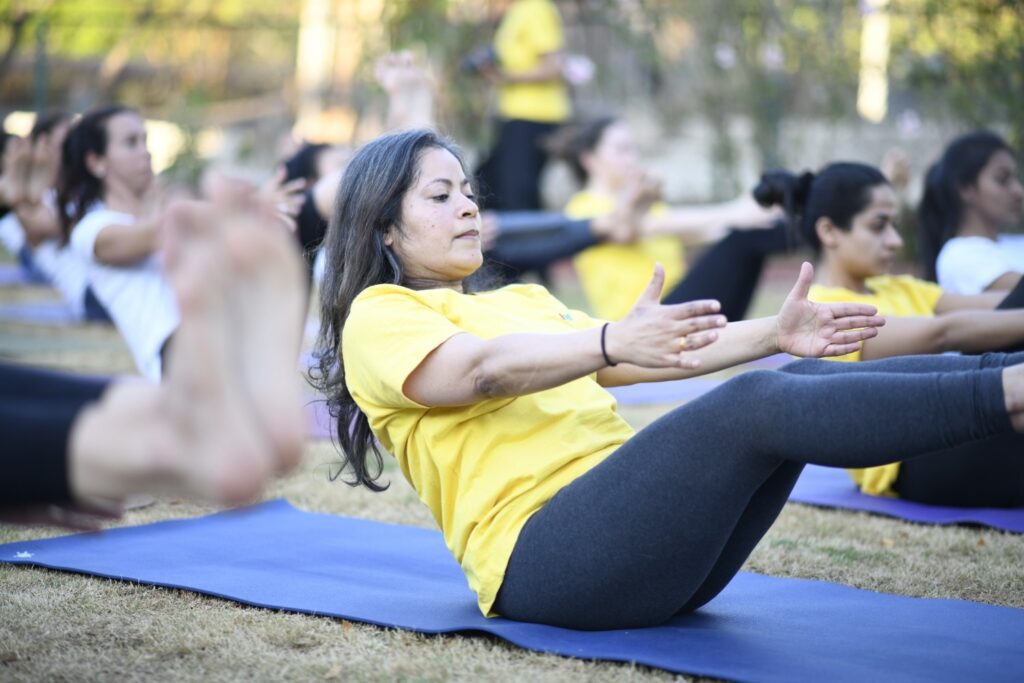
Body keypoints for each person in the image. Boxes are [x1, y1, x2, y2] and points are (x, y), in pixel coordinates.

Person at [313, 129, 1024, 630]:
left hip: (645, 553)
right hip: (547, 563)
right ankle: (1009, 395)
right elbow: (479, 372)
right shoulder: (379, 315)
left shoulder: (519, 301)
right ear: (385, 230)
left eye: (467, 191)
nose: (468, 206)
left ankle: (1009, 375)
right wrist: (604, 337)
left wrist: (773, 334)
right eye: (441, 196)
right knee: (756, 403)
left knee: (798, 375)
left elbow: (650, 352)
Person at [0, 199, 306, 527]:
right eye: (130, 143)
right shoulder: (92, 225)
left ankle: (183, 417)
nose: (144, 153)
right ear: (96, 161)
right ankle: (172, 440)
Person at [758, 163, 1024, 506]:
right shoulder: (821, 310)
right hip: (916, 462)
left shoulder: (896, 287)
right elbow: (942, 334)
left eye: (895, 226)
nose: (895, 241)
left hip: (962, 429)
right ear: (829, 232)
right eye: (878, 226)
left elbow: (1001, 305)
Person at [552, 116, 791, 321]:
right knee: (744, 237)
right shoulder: (583, 208)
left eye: (632, 149)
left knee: (752, 232)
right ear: (589, 159)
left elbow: (701, 230)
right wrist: (735, 211)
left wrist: (746, 216)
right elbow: (639, 228)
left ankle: (807, 228)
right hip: (640, 320)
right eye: (622, 150)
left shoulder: (640, 203)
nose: (631, 159)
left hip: (673, 304)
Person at [474, 0, 585, 212]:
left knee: (517, 196)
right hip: (514, 117)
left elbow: (554, 66)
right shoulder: (515, 13)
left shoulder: (536, 8)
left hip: (536, 117)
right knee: (490, 186)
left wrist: (505, 77)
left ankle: (529, 241)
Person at [918, 131, 1024, 293]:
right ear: (965, 188)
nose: (1018, 191)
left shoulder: (1015, 242)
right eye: (1002, 180)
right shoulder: (960, 255)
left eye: (1016, 179)